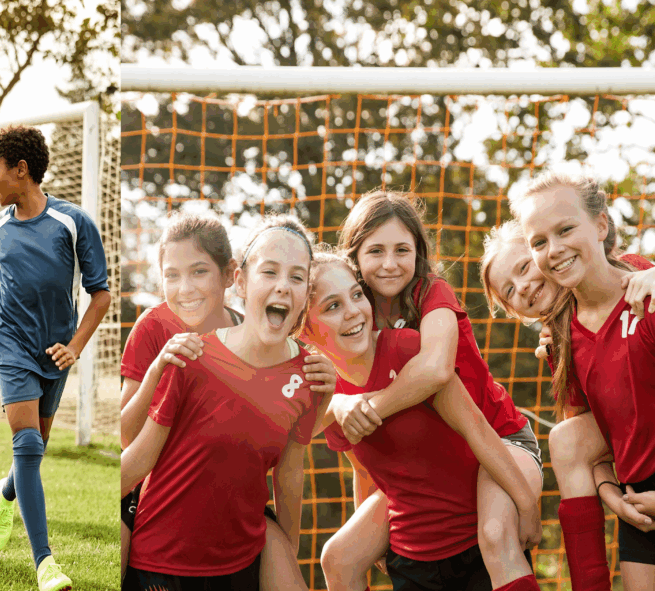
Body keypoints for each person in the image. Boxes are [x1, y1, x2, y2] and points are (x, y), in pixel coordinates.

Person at [319, 190, 544, 590]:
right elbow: (367, 460)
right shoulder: (356, 320)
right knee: (338, 557)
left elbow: (436, 369)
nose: (390, 264)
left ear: (418, 253)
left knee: (495, 536)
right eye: (376, 252)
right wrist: (340, 402)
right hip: (434, 458)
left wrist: (363, 406)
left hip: (497, 436)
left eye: (402, 250)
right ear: (354, 257)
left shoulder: (430, 292)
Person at [118, 212, 335, 588]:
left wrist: (285, 549)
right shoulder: (180, 350)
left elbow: (289, 471)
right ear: (243, 281)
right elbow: (134, 453)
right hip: (161, 555)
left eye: (296, 277)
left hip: (239, 560)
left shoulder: (308, 376)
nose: (283, 286)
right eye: (269, 272)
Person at [0, 124, 111, 591]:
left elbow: (99, 294)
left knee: (32, 452)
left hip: (55, 352)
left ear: (21, 170)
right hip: (11, 346)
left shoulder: (73, 222)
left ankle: (5, 495)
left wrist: (75, 346)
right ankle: (45, 563)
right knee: (27, 445)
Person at [481, 218, 655, 590]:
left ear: (546, 255)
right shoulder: (559, 344)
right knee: (565, 437)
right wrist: (615, 498)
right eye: (509, 291)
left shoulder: (628, 274)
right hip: (637, 468)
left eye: (524, 267)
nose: (523, 287)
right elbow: (592, 444)